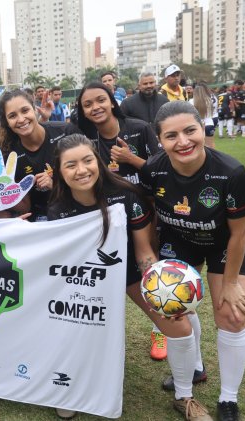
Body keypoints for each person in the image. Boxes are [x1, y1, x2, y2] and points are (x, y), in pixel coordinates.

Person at [47, 133, 210, 421]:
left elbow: (144, 252)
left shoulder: (125, 195)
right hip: (88, 279)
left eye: (87, 160)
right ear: (59, 171)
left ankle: (184, 396)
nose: (81, 170)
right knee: (71, 329)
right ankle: (70, 387)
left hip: (129, 272)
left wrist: (160, 292)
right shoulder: (58, 209)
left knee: (179, 326)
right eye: (70, 165)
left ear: (98, 161)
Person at [141, 100, 245, 421]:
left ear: (202, 129)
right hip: (180, 238)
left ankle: (228, 400)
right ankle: (195, 369)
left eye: (190, 131)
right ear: (160, 140)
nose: (183, 142)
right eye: (171, 136)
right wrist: (155, 268)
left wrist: (232, 284)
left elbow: (239, 234)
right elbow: (150, 218)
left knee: (231, 314)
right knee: (175, 304)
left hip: (228, 241)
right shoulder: (152, 170)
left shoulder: (231, 173)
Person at [76, 82, 168, 359]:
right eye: (88, 104)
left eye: (100, 100)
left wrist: (132, 158)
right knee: (115, 278)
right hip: (112, 220)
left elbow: (163, 168)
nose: (95, 108)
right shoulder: (86, 140)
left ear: (112, 101)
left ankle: (161, 329)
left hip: (149, 213)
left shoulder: (139, 128)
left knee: (152, 273)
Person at [0, 89, 78, 221]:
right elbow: (25, 207)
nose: (21, 119)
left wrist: (55, 185)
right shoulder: (8, 154)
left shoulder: (65, 131)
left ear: (34, 109)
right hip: (37, 223)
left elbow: (88, 180)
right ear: (6, 123)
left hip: (74, 213)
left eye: (25, 110)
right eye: (12, 116)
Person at [192, 83, 218, 148]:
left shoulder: (191, 101)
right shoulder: (209, 100)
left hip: (198, 125)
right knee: (211, 145)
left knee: (200, 146)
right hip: (209, 124)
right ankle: (213, 158)